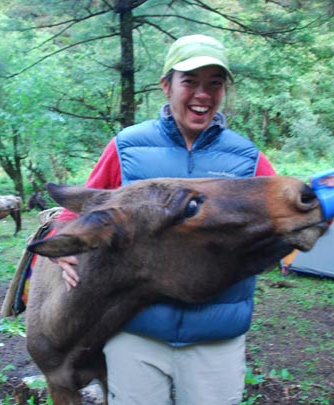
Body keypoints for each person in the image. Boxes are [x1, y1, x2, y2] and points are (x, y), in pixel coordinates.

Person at [54, 34, 276, 404]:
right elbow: (80, 207)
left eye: (214, 83)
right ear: (166, 85)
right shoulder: (127, 147)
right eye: (190, 81)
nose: (202, 94)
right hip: (136, 332)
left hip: (215, 338)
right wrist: (64, 241)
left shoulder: (247, 159)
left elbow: (282, 217)